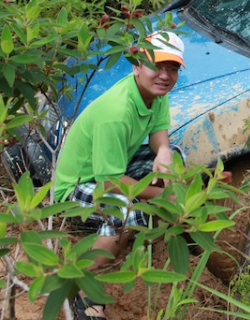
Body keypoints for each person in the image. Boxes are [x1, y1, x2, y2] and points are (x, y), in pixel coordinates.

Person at [54, 31, 186, 319]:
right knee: (127, 211)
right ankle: (81, 280)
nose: (165, 75)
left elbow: (159, 134)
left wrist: (163, 150)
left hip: (113, 167)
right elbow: (108, 183)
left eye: (172, 68)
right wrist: (166, 196)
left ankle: (151, 224)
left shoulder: (155, 93)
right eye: (157, 66)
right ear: (137, 66)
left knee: (175, 156)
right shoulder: (117, 111)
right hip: (77, 187)